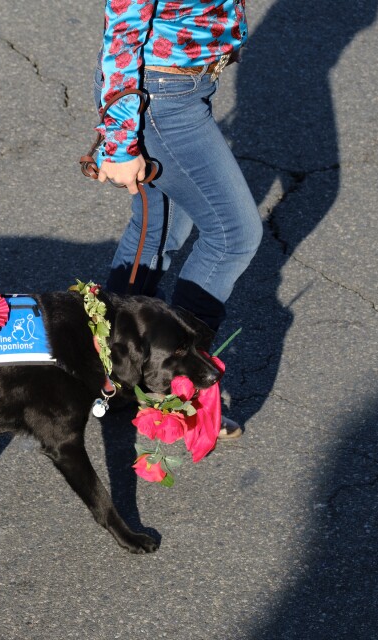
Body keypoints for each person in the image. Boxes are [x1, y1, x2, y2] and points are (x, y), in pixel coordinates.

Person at [92, 0, 262, 438]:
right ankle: (178, 385)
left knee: (161, 231)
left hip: (184, 87)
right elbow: (123, 32)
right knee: (233, 235)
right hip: (161, 98)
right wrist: (119, 144)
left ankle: (110, 375)